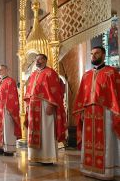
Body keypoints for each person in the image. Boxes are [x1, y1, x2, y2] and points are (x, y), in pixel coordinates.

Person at [73, 46, 120, 180]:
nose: (93, 56)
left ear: (104, 55)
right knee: (89, 140)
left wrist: (115, 111)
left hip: (106, 112)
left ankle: (107, 170)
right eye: (92, 53)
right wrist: (81, 110)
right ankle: (88, 168)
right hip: (88, 113)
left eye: (97, 53)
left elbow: (116, 94)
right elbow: (82, 94)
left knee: (107, 141)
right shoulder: (86, 75)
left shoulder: (111, 72)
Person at [24, 54, 66, 165]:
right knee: (34, 131)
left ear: (45, 60)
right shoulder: (33, 74)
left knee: (46, 131)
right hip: (33, 107)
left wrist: (51, 105)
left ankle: (47, 157)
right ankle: (35, 156)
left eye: (40, 59)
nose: (37, 61)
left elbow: (56, 91)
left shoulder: (50, 73)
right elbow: (29, 90)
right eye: (36, 59)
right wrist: (28, 104)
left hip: (45, 105)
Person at [0, 64, 21, 156]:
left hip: (6, 108)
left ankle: (8, 148)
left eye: (1, 70)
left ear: (7, 70)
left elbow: (13, 96)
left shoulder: (11, 81)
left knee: (7, 128)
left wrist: (9, 107)